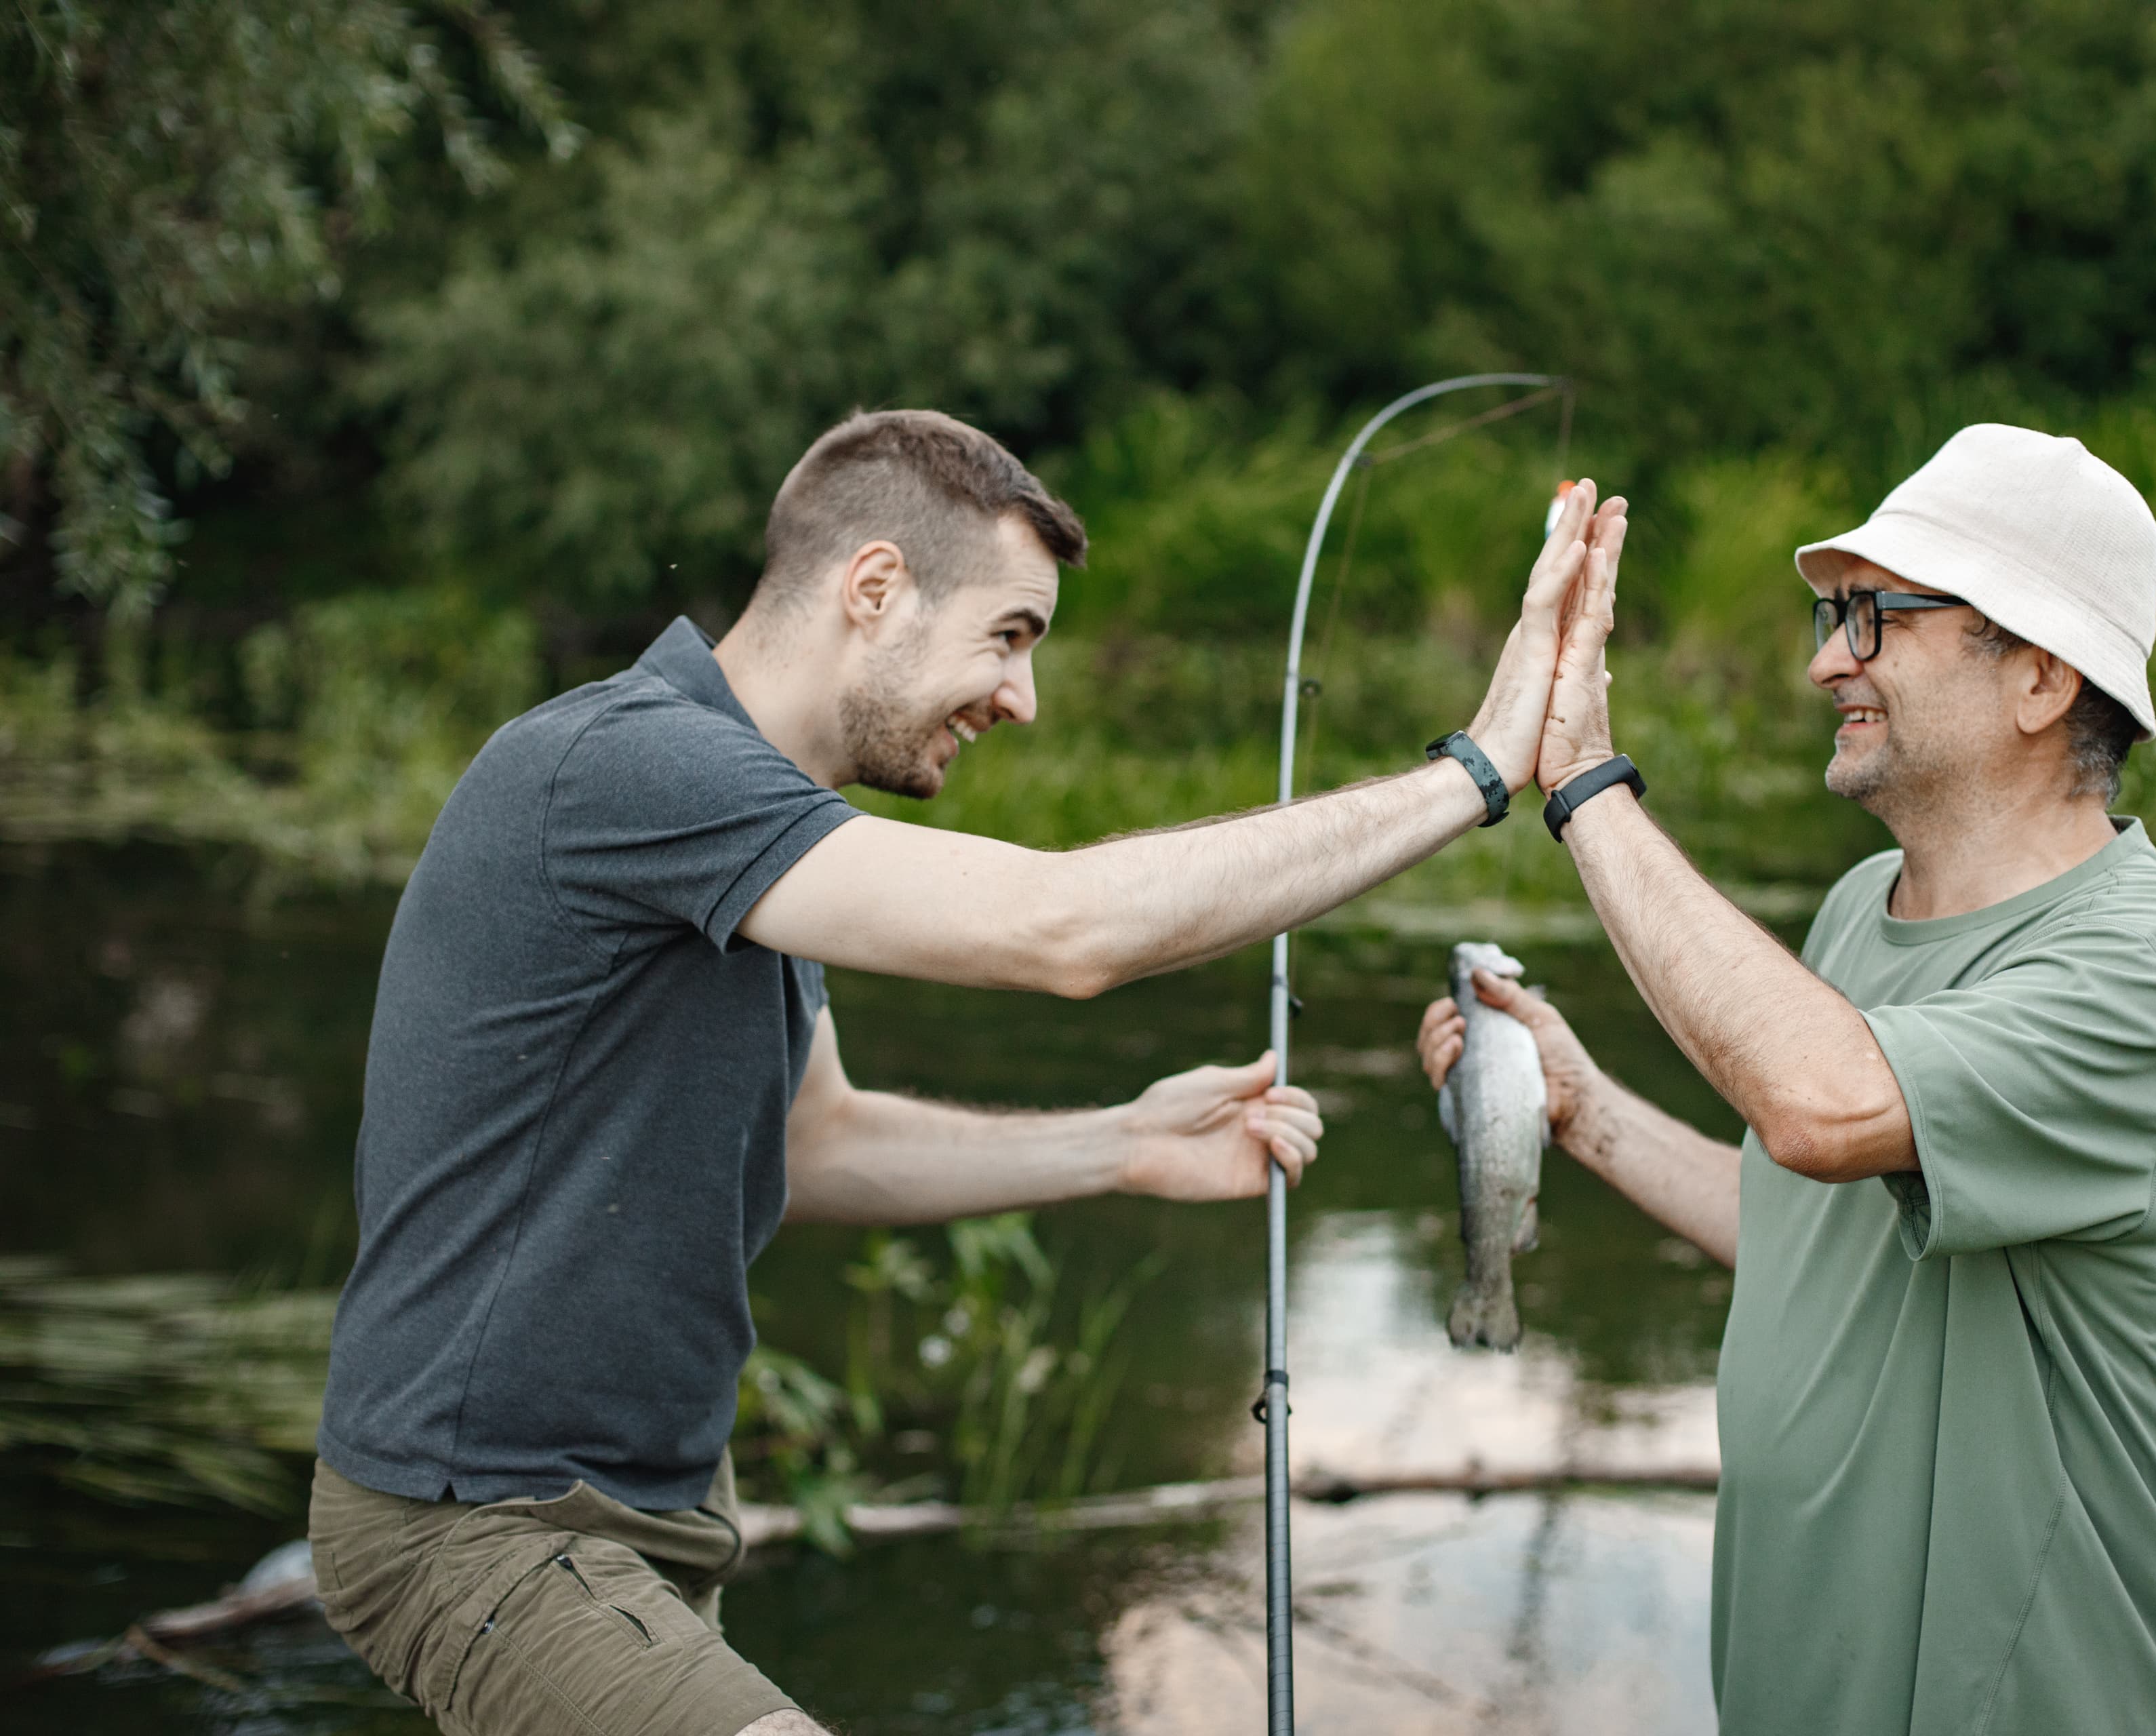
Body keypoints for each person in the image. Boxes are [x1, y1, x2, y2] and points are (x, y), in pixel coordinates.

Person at [309, 408, 1628, 1736]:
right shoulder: (629, 764)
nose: (1023, 697)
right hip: (480, 1519)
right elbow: (1063, 928)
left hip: (648, 1522)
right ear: (874, 588)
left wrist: (1120, 1141)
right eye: (1009, 635)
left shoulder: (744, 816)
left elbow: (816, 1141)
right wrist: (1473, 770)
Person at [1418, 424, 2156, 1735]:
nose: (1826, 661)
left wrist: (1585, 776)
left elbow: (1823, 1108)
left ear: (2040, 675)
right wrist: (1581, 1110)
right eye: (1829, 614)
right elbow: (1812, 1236)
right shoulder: (1863, 910)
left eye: (1872, 618)